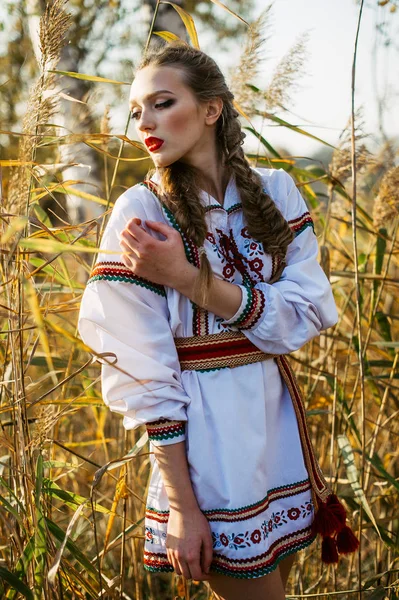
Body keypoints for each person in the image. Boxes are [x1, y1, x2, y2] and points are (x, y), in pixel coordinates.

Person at [78, 41, 358, 600]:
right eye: (137, 111)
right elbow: (142, 372)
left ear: (212, 109)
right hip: (209, 450)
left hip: (274, 434)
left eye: (161, 103)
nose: (144, 123)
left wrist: (189, 279)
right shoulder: (141, 210)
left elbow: (301, 318)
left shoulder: (276, 192)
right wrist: (182, 505)